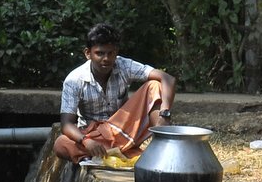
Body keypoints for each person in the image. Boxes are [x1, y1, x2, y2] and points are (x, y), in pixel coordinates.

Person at [53, 23, 177, 164]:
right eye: (100, 53)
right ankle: (114, 154)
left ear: (116, 52)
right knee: (61, 144)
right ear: (88, 53)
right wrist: (86, 141)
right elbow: (66, 124)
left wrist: (164, 114)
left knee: (154, 85)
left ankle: (161, 144)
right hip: (95, 137)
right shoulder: (74, 80)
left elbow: (168, 79)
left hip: (125, 130)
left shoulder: (124, 65)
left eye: (110, 53)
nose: (106, 58)